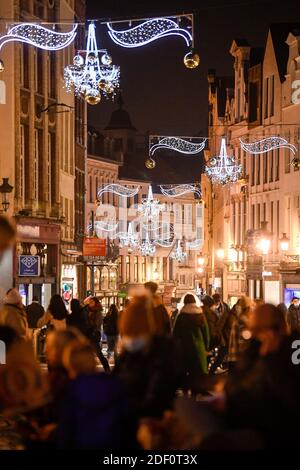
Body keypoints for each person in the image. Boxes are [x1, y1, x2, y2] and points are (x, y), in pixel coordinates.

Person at [225, 303, 300, 448]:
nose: (257, 335)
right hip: (244, 419)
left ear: (280, 327)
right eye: (253, 330)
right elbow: (235, 385)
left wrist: (270, 358)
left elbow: (291, 397)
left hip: (277, 428)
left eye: (261, 329)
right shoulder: (253, 349)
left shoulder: (293, 348)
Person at [115, 296, 180, 422]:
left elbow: (156, 392)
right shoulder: (129, 350)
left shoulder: (158, 350)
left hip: (150, 421)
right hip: (135, 417)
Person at [173, 294, 210, 391]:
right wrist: (206, 347)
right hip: (199, 348)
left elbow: (175, 334)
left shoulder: (181, 316)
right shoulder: (200, 314)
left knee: (185, 371)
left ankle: (185, 392)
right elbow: (206, 332)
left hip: (184, 348)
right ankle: (195, 392)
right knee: (197, 372)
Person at [85, 297, 110, 372]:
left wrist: (89, 322)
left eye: (92, 302)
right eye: (90, 302)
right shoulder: (87, 311)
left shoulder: (98, 312)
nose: (90, 303)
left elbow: (97, 325)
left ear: (96, 303)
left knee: (99, 354)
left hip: (94, 336)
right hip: (87, 335)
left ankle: (107, 369)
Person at [227, 296, 252, 370]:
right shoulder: (243, 322)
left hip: (234, 358)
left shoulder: (238, 320)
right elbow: (242, 343)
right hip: (239, 361)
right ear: (248, 308)